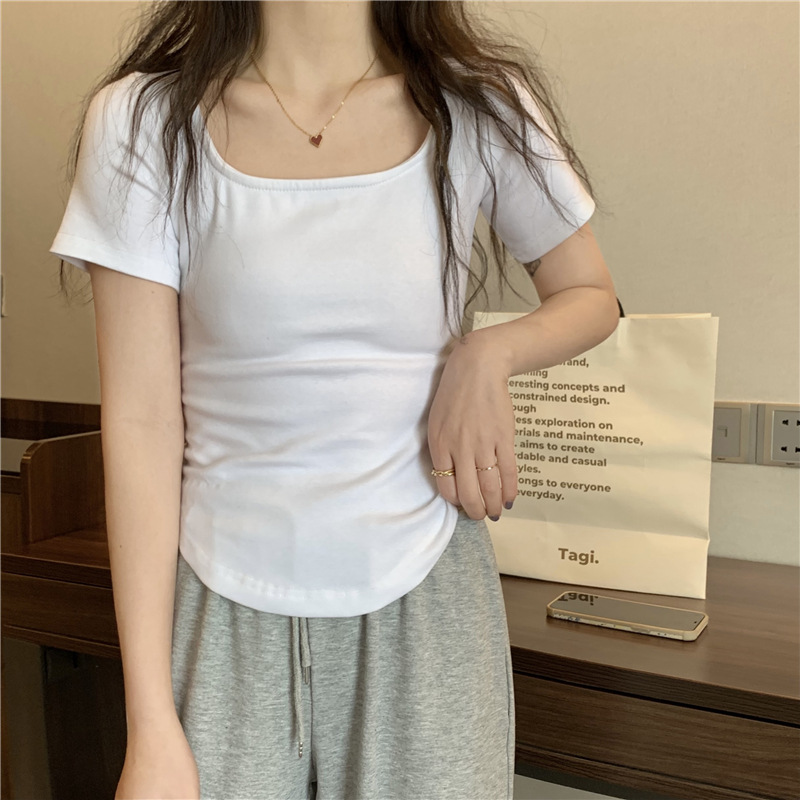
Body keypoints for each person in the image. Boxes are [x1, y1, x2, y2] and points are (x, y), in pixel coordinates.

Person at [49, 2, 618, 798]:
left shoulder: (478, 102)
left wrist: (488, 354)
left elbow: (591, 294)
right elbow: (142, 422)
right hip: (220, 602)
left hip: (426, 597)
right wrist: (149, 722)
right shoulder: (144, 122)